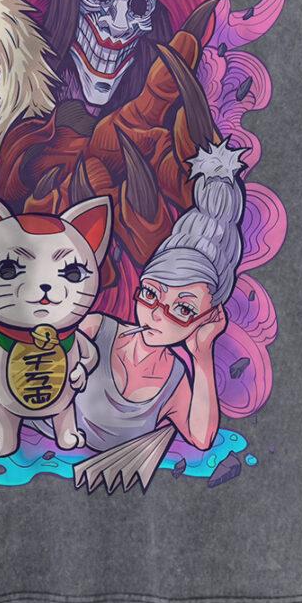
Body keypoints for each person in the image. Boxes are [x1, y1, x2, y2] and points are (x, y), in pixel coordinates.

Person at [69, 138, 247, 451]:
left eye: (183, 309)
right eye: (151, 293)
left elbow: (201, 438)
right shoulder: (96, 329)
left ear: (209, 318)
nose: (156, 313)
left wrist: (202, 354)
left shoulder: (174, 378)